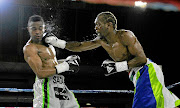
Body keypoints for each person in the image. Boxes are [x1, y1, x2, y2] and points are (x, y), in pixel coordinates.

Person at [45, 12, 180, 108]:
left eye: (98, 24)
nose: (95, 27)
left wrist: (117, 67)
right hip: (136, 76)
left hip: (147, 71)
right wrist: (58, 42)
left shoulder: (125, 36)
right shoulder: (101, 41)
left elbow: (142, 59)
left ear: (109, 25)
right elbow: (80, 46)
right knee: (166, 104)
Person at [23, 15, 80, 108]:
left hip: (60, 84)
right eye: (34, 29)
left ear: (44, 28)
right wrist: (66, 66)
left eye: (40, 28)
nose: (37, 32)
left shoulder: (48, 43)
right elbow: (40, 73)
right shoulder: (30, 48)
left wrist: (68, 61)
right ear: (28, 29)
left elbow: (52, 64)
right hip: (46, 85)